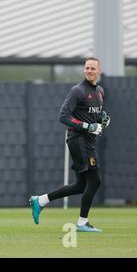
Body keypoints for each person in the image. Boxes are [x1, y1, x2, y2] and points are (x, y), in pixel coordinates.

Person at [30, 57, 110, 232]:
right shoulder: (77, 90)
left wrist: (102, 118)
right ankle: (82, 223)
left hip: (88, 141)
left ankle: (41, 200)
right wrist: (88, 126)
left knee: (81, 185)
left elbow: (94, 115)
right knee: (95, 180)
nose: (89, 71)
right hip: (78, 140)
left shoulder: (100, 91)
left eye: (92, 68)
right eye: (87, 68)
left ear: (99, 71)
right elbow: (63, 116)